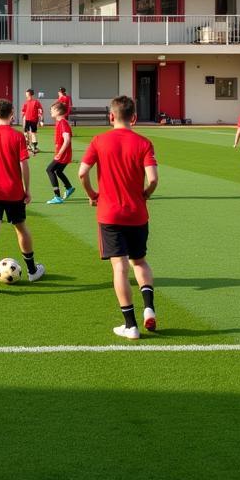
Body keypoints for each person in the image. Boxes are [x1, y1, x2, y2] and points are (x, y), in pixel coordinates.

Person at [78, 95, 159, 340]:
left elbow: (82, 172)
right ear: (134, 117)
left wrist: (93, 194)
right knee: (140, 262)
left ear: (110, 116)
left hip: (109, 213)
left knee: (119, 268)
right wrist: (144, 194)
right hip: (137, 213)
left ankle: (130, 325)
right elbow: (153, 179)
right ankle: (149, 308)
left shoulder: (99, 140)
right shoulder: (144, 143)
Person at [0, 98, 44, 291]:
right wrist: (27, 188)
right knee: (21, 228)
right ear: (12, 113)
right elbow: (24, 164)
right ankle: (32, 271)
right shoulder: (17, 136)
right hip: (13, 191)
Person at [45, 101, 76, 204]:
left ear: (58, 111)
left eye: (52, 110)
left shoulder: (63, 123)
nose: (51, 111)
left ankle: (57, 196)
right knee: (58, 171)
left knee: (49, 170)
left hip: (63, 155)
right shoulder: (60, 122)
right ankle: (69, 188)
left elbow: (67, 140)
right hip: (63, 154)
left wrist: (60, 153)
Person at [21, 89, 44, 155]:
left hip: (34, 120)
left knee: (33, 133)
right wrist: (23, 117)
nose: (26, 95)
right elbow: (23, 111)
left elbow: (40, 111)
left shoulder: (36, 102)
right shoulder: (26, 102)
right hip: (27, 120)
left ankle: (35, 147)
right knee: (26, 132)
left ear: (31, 94)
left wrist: (41, 120)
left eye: (27, 93)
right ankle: (28, 146)